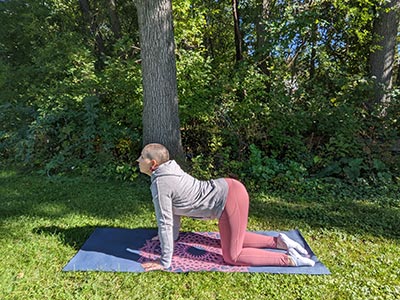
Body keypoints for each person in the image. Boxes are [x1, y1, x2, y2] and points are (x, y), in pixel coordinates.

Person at [136, 143, 315, 271]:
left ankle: (290, 259)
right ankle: (278, 242)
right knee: (229, 239)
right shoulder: (168, 171)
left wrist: (164, 261)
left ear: (153, 164)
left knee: (232, 256)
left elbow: (165, 222)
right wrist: (172, 239)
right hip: (230, 191)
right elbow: (174, 212)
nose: (138, 160)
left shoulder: (161, 183)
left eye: (142, 157)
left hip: (229, 198)